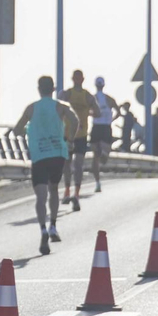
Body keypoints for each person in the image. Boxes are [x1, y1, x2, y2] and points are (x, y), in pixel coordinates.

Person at [14, 75, 77, 256]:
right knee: (54, 190)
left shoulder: (31, 108)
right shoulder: (61, 106)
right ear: (53, 88)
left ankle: (42, 229)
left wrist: (29, 130)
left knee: (40, 196)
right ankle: (53, 227)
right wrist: (70, 139)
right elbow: (74, 121)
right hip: (57, 153)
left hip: (39, 154)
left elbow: (17, 130)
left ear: (39, 89)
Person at [59, 69, 99, 211]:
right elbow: (98, 112)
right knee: (68, 165)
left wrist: (87, 112)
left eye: (78, 78)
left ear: (81, 79)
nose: (77, 80)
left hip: (80, 134)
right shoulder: (68, 94)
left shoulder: (86, 96)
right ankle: (68, 191)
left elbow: (98, 112)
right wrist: (87, 112)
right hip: (68, 134)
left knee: (77, 165)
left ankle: (74, 193)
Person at [89, 76, 118, 192]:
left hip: (96, 127)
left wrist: (93, 114)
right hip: (106, 127)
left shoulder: (92, 98)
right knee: (103, 158)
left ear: (96, 85)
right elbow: (119, 112)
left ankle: (97, 182)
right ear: (103, 85)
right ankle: (97, 182)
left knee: (95, 158)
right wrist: (111, 119)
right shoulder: (109, 99)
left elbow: (87, 111)